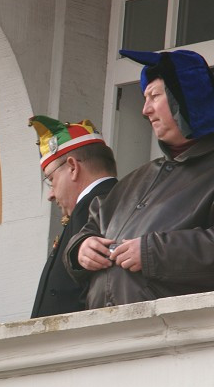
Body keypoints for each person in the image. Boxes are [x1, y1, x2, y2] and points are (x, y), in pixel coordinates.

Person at [64, 49, 214, 308]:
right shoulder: (138, 178)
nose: (145, 110)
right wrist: (81, 249)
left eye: (155, 96)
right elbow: (93, 225)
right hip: (107, 334)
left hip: (178, 339)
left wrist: (152, 252)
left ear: (189, 97)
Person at [29, 116, 117, 318]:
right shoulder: (108, 202)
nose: (51, 194)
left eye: (51, 180)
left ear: (72, 167)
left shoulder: (95, 205)